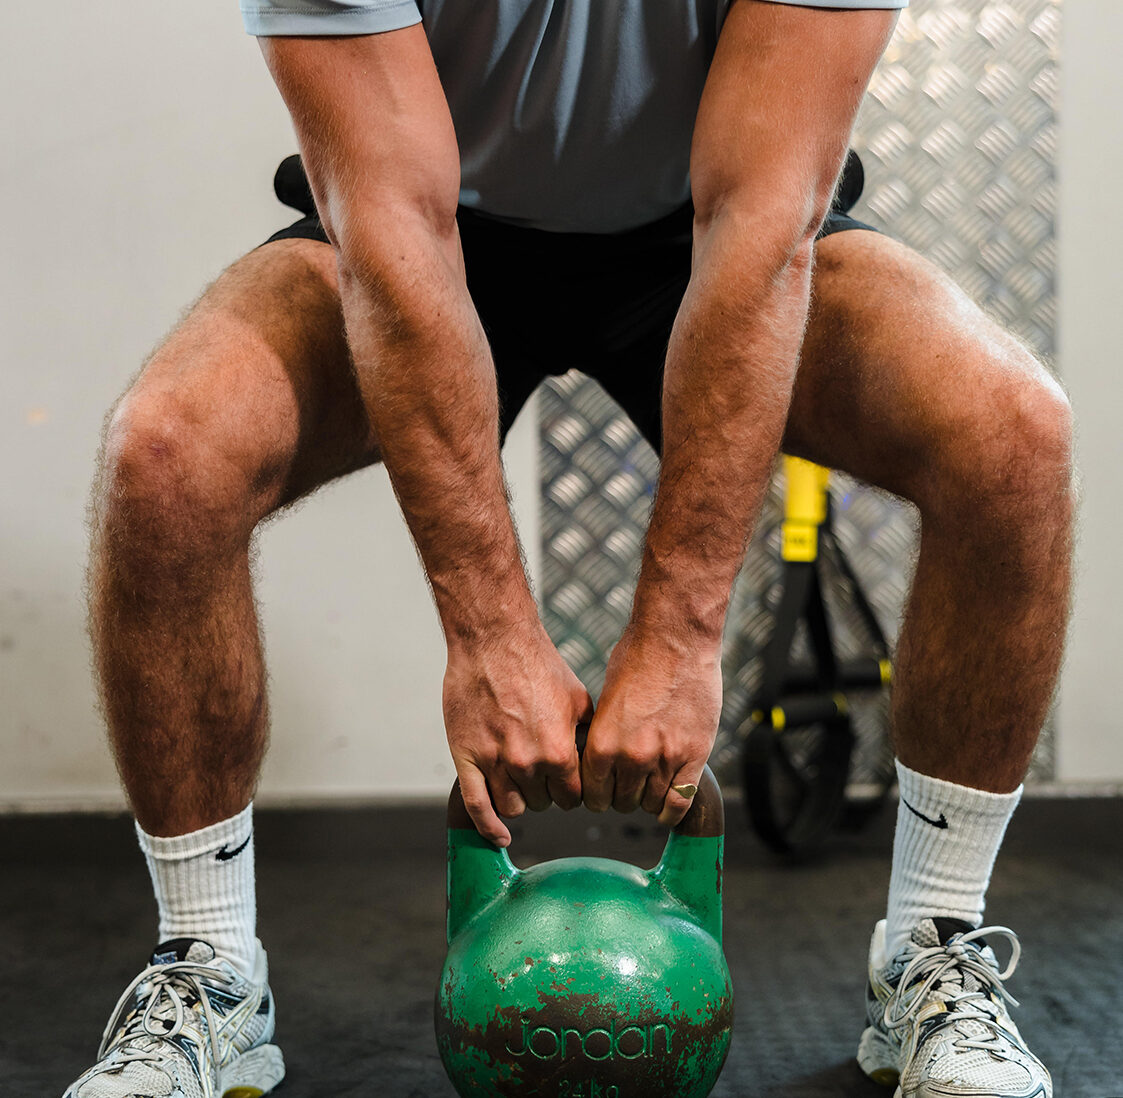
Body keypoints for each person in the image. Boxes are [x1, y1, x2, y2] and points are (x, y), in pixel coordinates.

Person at [63, 2, 1073, 1097]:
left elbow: (759, 219)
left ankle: (933, 951)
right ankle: (207, 969)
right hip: (432, 228)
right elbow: (394, 226)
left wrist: (683, 636)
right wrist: (489, 634)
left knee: (1010, 437)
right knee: (163, 459)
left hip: (708, 229)